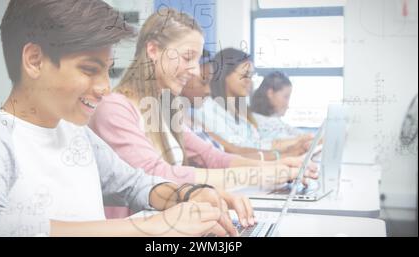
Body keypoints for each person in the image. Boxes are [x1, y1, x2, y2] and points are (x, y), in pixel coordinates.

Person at [0, 0, 255, 237]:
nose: (105, 87)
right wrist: (148, 227)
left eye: (107, 70)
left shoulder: (76, 133)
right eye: (89, 69)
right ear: (34, 60)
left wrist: (189, 194)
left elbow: (134, 185)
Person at [89, 9, 318, 220]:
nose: (196, 70)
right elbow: (160, 176)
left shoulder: (166, 110)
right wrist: (262, 175)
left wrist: (278, 166)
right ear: (153, 50)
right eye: (188, 57)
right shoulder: (115, 108)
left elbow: (213, 157)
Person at [193, 48, 312, 160]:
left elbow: (257, 143)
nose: (248, 80)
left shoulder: (240, 112)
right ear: (225, 74)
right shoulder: (208, 110)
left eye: (250, 75)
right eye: (244, 74)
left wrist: (293, 148)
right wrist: (287, 152)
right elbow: (236, 151)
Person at [251, 71, 308, 141]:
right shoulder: (259, 122)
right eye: (286, 97)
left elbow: (291, 130)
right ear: (270, 93)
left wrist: (311, 138)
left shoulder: (273, 119)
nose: (287, 105)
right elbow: (278, 141)